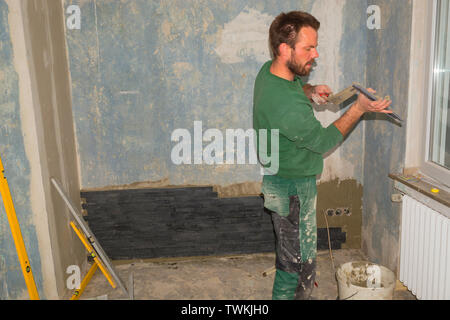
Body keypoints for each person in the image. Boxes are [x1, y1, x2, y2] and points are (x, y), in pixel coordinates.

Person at [253, 11, 392, 300]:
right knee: (294, 269)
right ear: (284, 49)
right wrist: (358, 109)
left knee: (296, 260)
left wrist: (310, 90)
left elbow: (292, 89)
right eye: (308, 48)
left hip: (283, 179)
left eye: (315, 46)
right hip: (292, 188)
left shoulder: (271, 72)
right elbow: (323, 141)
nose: (315, 54)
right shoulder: (287, 107)